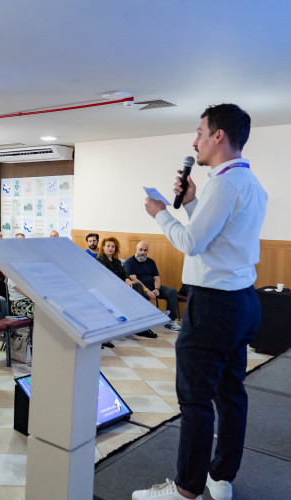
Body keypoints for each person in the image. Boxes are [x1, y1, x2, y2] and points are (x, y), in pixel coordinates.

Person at [135, 104, 266, 500]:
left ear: (218, 135)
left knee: (194, 399)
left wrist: (160, 214)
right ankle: (221, 477)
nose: (195, 141)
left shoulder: (224, 184)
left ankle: (185, 489)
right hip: (241, 301)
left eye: (199, 132)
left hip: (213, 306)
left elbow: (192, 244)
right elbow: (217, 241)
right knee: (230, 393)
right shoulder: (248, 182)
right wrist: (191, 203)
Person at [123, 241, 181, 331]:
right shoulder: (129, 262)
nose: (143, 252)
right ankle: (141, 323)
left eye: (145, 250)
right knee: (138, 290)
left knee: (172, 292)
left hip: (153, 287)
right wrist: (147, 290)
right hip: (140, 289)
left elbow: (157, 277)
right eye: (140, 250)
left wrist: (156, 289)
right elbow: (134, 279)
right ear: (136, 250)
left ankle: (171, 322)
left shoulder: (151, 262)